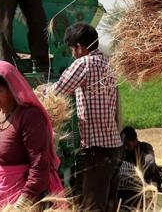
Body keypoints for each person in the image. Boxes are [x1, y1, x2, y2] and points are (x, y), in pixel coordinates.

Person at [45, 22, 123, 212]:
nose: (72, 54)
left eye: (72, 49)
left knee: (92, 207)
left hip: (97, 150)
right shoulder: (109, 63)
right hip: (114, 147)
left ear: (79, 47)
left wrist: (42, 90)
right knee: (109, 205)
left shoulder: (84, 63)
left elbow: (57, 91)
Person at [0, 60, 64, 211]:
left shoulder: (30, 116)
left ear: (12, 89)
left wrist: (21, 204)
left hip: (22, 196)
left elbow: (39, 164)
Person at [118, 126, 162, 209]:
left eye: (127, 144)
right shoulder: (124, 151)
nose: (125, 147)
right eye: (123, 144)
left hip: (148, 183)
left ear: (135, 141)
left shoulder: (145, 147)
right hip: (132, 186)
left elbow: (150, 163)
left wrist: (141, 181)